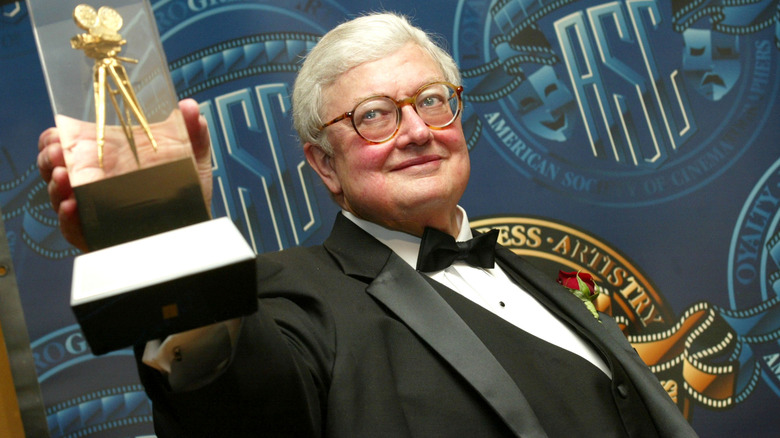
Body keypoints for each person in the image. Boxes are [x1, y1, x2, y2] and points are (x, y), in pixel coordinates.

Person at [38, 12, 698, 438]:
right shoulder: (286, 295)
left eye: (432, 103)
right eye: (375, 115)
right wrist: (167, 235)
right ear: (324, 164)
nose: (416, 132)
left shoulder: (539, 278)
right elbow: (235, 407)